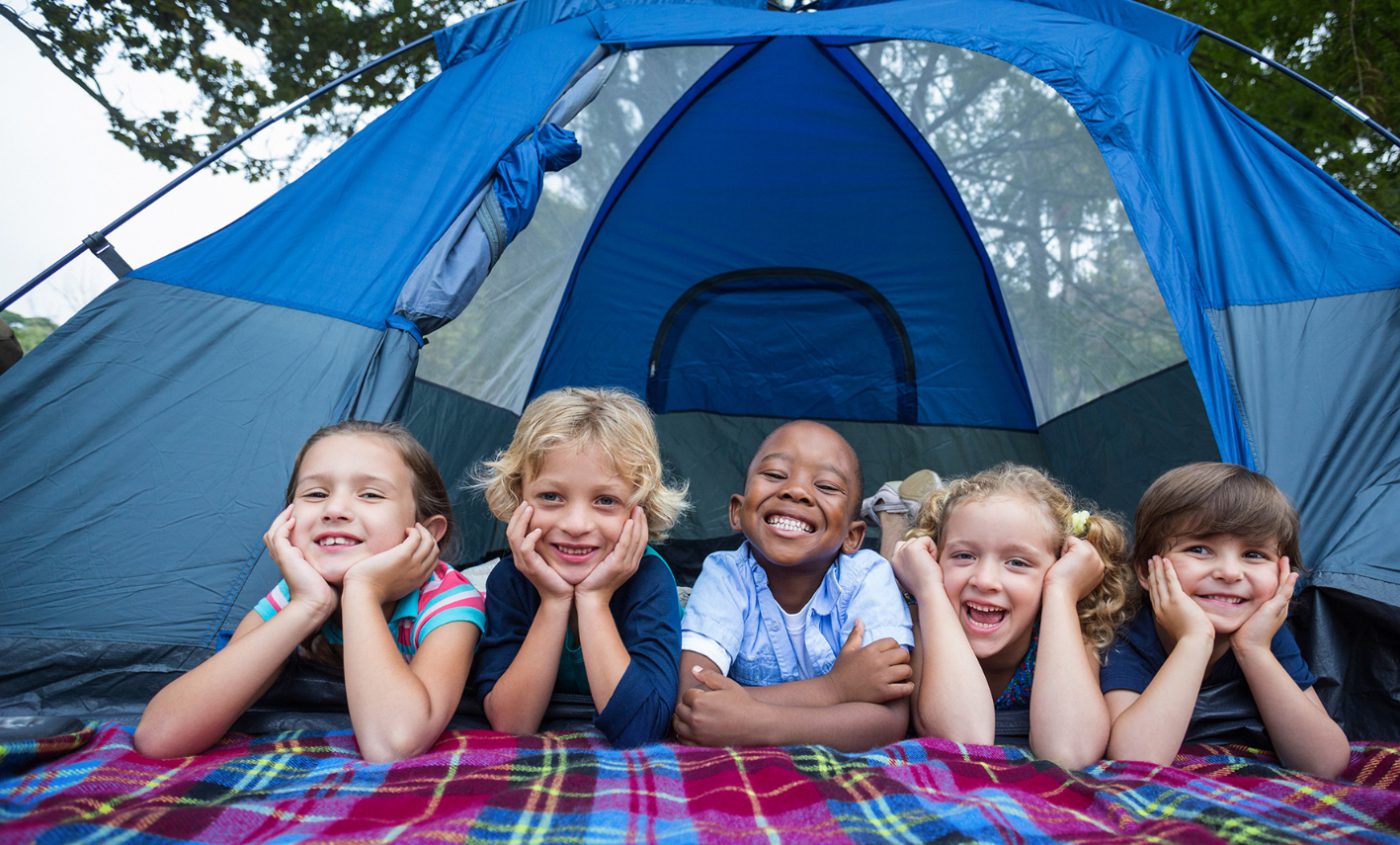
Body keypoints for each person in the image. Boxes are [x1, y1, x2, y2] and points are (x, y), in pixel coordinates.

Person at [135, 420, 485, 762]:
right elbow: (160, 737)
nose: (334, 510)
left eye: (370, 494)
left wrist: (362, 590)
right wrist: (309, 605)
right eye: (316, 494)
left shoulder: (447, 601)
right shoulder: (297, 592)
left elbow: (392, 745)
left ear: (426, 530)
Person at [674, 420, 914, 751]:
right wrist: (835, 690)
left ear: (853, 536)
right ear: (737, 512)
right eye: (775, 475)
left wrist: (754, 722)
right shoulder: (725, 575)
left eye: (827, 486)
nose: (796, 491)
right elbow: (694, 701)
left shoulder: (869, 579)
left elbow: (890, 721)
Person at [470, 387, 688, 746]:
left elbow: (642, 727)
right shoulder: (511, 578)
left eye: (605, 500)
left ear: (641, 511)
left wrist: (593, 599)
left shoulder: (649, 580)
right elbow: (512, 724)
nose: (575, 524)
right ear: (517, 495)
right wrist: (554, 601)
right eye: (551, 497)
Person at [1102, 463, 1349, 777]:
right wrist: (1194, 641)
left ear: (1283, 572)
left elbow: (1324, 763)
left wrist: (1254, 650)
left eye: (1254, 555)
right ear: (1146, 571)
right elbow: (1136, 760)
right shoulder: (1130, 634)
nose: (1230, 573)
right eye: (1200, 549)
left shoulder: (1265, 634)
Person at [891, 463, 1130, 768]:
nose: (985, 580)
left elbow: (1069, 751)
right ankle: (895, 518)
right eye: (964, 555)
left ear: (1059, 566)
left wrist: (1060, 592)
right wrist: (927, 588)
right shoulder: (920, 613)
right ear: (935, 558)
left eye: (1017, 562)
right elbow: (965, 740)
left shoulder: (1068, 624)